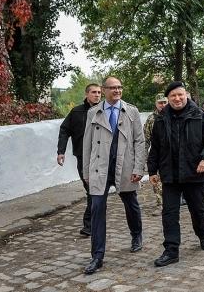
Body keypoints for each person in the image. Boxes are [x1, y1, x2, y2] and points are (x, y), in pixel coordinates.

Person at [147, 81, 204, 267]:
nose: (177, 98)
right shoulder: (161, 120)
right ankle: (171, 250)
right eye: (173, 96)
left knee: (197, 210)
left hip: (194, 173)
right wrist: (152, 170)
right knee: (169, 213)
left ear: (186, 95)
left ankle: (202, 235)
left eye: (180, 95)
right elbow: (155, 147)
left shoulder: (200, 115)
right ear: (168, 99)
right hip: (169, 174)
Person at [81, 77, 144, 275]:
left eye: (119, 87)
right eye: (113, 88)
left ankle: (136, 235)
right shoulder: (93, 112)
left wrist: (138, 168)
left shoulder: (131, 111)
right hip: (99, 168)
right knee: (97, 208)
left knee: (130, 203)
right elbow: (87, 145)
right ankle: (97, 256)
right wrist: (86, 171)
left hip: (124, 166)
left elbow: (139, 142)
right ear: (104, 89)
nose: (117, 91)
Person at [57, 83, 102, 236]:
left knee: (94, 190)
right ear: (87, 94)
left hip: (101, 157)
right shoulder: (76, 112)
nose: (97, 95)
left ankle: (89, 225)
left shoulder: (104, 111)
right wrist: (61, 151)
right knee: (91, 189)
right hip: (82, 157)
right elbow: (64, 130)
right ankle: (93, 221)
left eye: (99, 92)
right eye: (94, 92)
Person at [143, 93, 168, 216]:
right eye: (160, 103)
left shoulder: (173, 116)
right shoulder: (151, 119)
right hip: (156, 155)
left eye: (165, 102)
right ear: (156, 104)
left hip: (171, 156)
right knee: (157, 181)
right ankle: (161, 204)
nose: (163, 105)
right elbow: (145, 139)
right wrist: (143, 158)